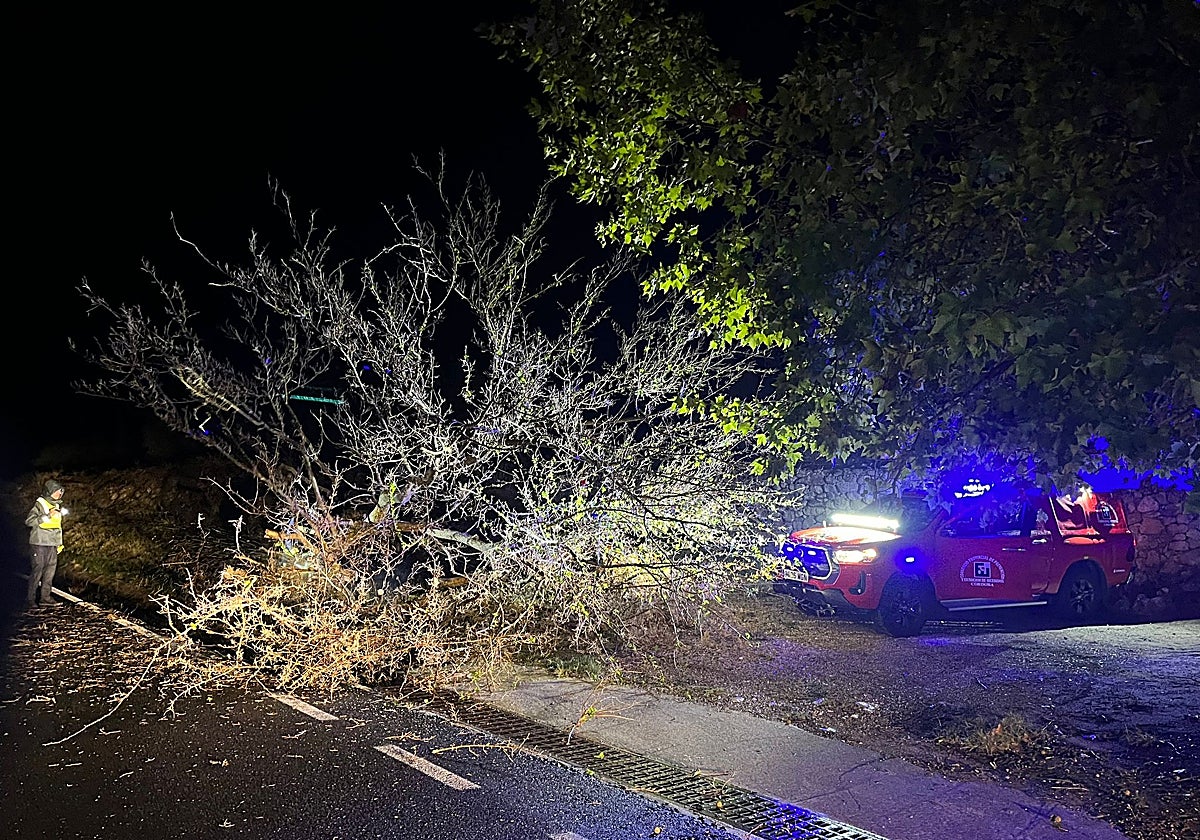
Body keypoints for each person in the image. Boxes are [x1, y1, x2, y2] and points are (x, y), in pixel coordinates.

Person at [25, 478, 67, 608]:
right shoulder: (40, 505)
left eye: (60, 492)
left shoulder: (57, 506)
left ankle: (45, 598)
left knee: (50, 573)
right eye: (56, 492)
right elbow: (29, 521)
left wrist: (59, 543)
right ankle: (30, 599)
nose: (59, 494)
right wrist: (48, 515)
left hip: (52, 545)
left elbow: (57, 526)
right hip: (39, 543)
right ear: (49, 491)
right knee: (37, 571)